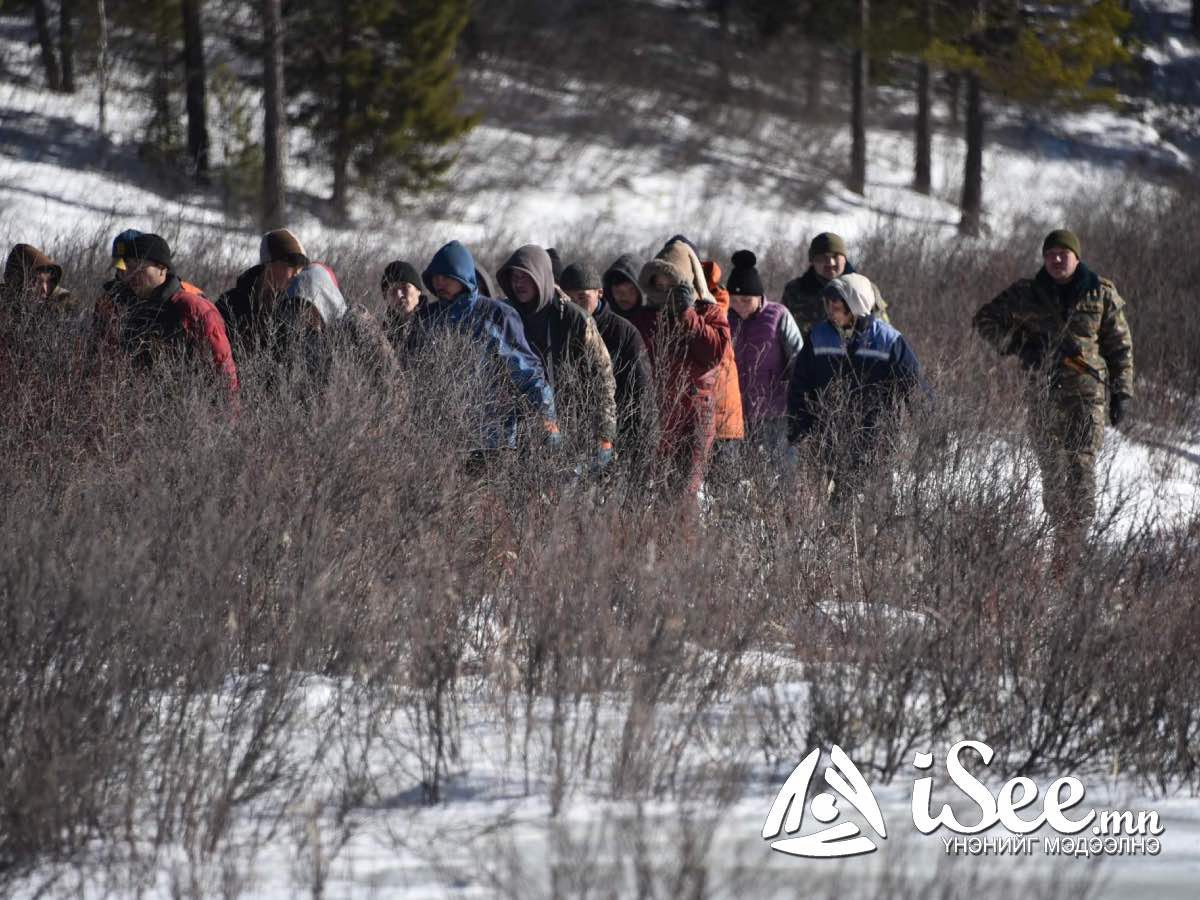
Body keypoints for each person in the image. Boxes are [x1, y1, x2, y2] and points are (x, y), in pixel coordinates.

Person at [973, 228, 1134, 542]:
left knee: (1081, 464)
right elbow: (985, 319)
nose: (1057, 259)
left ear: (1077, 257)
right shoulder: (1026, 292)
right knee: (1051, 465)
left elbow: (1120, 348)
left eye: (1063, 253)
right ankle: (1060, 532)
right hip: (1042, 391)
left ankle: (1076, 540)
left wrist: (1122, 393)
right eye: (1050, 254)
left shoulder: (1100, 293)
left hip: (1086, 396)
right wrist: (1020, 346)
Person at [788, 273, 920, 505]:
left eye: (836, 305)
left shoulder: (888, 340)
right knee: (831, 508)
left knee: (873, 507)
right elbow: (800, 385)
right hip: (826, 439)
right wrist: (799, 428)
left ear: (855, 305)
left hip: (875, 440)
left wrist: (930, 428)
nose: (830, 310)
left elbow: (914, 386)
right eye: (827, 304)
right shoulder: (818, 336)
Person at [420, 240, 560, 454]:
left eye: (447, 277)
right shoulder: (428, 317)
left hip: (492, 439)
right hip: (439, 439)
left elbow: (528, 373)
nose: (440, 283)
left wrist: (547, 418)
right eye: (435, 277)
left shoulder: (495, 315)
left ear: (463, 277)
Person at [618, 237, 731, 498]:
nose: (664, 288)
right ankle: (658, 539)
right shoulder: (648, 317)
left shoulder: (710, 313)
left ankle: (685, 538)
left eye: (671, 282)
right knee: (657, 490)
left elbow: (713, 353)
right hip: (657, 411)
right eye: (659, 282)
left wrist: (687, 314)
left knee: (685, 492)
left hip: (696, 413)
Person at [497, 245, 617, 470]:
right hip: (515, 430)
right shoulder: (504, 315)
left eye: (526, 276)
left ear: (541, 275)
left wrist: (604, 435)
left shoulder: (572, 319)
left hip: (572, 427)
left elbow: (603, 378)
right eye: (514, 277)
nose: (518, 284)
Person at [113, 233, 239, 398]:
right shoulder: (127, 306)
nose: (132, 274)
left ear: (162, 269)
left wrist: (228, 419)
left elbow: (223, 371)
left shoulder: (192, 308)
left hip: (189, 414)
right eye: (129, 267)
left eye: (140, 267)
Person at [562, 260, 658, 472]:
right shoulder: (559, 330)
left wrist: (640, 447)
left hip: (616, 438)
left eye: (582, 297)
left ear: (600, 293)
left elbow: (642, 394)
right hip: (570, 440)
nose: (575, 304)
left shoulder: (624, 333)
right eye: (569, 298)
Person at [216, 229, 348, 383]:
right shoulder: (232, 303)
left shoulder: (299, 305)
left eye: (301, 267)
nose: (297, 274)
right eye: (290, 265)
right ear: (269, 265)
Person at [725, 250, 804, 454]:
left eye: (746, 300)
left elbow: (798, 357)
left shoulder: (778, 315)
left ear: (758, 296)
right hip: (736, 412)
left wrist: (798, 400)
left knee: (781, 473)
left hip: (776, 412)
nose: (739, 306)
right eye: (734, 299)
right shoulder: (725, 318)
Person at [781, 232, 889, 334]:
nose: (830, 263)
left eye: (835, 256)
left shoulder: (865, 289)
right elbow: (781, 331)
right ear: (812, 261)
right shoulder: (795, 291)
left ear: (844, 259)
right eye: (823, 258)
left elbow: (884, 330)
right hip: (808, 352)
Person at [1, 243, 72, 313]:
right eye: (38, 282)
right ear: (19, 282)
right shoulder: (4, 307)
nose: (45, 289)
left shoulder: (61, 302)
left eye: (49, 282)